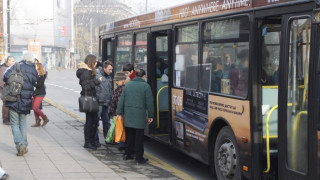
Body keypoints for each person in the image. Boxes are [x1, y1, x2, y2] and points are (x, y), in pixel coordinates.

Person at [4, 52, 39, 156]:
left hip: (13, 97)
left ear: (23, 58)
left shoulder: (17, 65)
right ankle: (24, 145)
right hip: (26, 100)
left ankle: (20, 145)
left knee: (14, 123)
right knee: (23, 123)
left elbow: (5, 77)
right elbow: (36, 80)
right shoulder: (33, 69)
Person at [116, 69, 154, 164]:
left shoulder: (128, 85)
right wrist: (150, 115)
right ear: (144, 76)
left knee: (129, 136)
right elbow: (149, 103)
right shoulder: (146, 86)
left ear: (136, 75)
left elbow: (121, 100)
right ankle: (139, 158)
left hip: (129, 115)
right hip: (139, 116)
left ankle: (127, 154)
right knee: (139, 138)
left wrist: (119, 112)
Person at [76, 54, 102, 150]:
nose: (96, 64)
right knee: (90, 121)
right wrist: (96, 81)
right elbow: (86, 87)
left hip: (92, 97)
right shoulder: (86, 72)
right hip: (89, 98)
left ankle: (91, 141)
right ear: (91, 62)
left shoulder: (88, 71)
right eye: (95, 62)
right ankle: (88, 142)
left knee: (94, 121)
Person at [94, 60, 113, 146]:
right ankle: (95, 140)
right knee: (96, 122)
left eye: (112, 69)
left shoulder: (109, 77)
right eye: (109, 69)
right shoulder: (96, 74)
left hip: (106, 102)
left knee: (107, 122)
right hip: (99, 102)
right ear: (104, 68)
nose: (111, 71)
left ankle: (108, 139)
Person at [108, 71, 128, 150]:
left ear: (122, 80)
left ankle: (122, 144)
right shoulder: (126, 87)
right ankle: (124, 143)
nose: (116, 82)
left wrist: (111, 111)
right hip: (125, 113)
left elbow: (115, 101)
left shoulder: (120, 89)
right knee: (124, 129)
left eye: (117, 81)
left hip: (120, 113)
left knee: (121, 128)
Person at [31, 63, 49, 127]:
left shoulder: (42, 75)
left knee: (35, 108)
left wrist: (33, 83)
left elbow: (40, 85)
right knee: (34, 107)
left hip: (40, 93)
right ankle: (37, 121)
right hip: (36, 92)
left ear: (38, 68)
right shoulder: (37, 75)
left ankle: (45, 118)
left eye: (35, 67)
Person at [0, 56, 15, 125]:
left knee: (9, 104)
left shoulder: (10, 68)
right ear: (8, 61)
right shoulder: (3, 68)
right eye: (12, 61)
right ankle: (5, 119)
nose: (13, 62)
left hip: (9, 88)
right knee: (6, 104)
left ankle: (8, 118)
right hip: (4, 89)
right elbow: (2, 81)